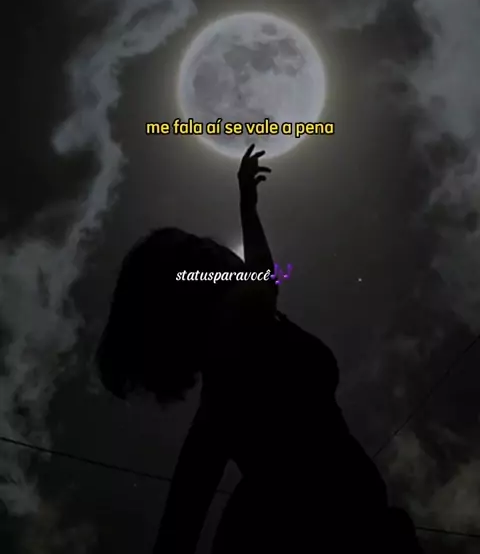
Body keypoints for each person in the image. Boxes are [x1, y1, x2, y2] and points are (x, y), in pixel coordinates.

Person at [96, 144, 422, 553]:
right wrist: (246, 207)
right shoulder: (238, 357)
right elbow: (182, 516)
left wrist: (247, 207)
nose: (213, 247)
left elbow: (181, 517)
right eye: (196, 251)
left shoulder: (233, 369)